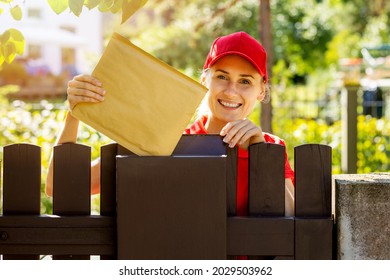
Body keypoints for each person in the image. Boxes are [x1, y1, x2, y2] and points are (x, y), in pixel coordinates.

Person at [45, 31, 295, 216]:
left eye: (245, 81)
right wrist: (75, 112)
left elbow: (293, 222)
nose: (231, 91)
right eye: (222, 77)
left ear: (261, 91)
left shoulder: (271, 147)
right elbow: (61, 187)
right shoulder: (166, 139)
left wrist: (260, 153)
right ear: (205, 81)